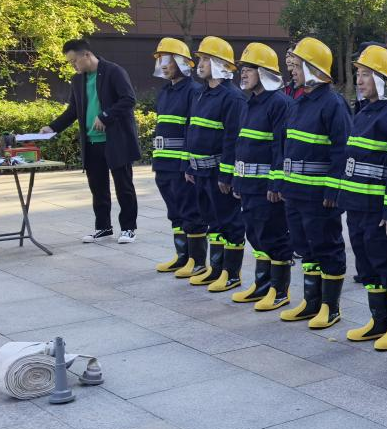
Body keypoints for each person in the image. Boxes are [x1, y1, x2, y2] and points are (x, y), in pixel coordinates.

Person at [339, 45, 387, 351]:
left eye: (366, 74)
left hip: (382, 210)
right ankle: (378, 321)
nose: (359, 81)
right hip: (358, 208)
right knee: (367, 264)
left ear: (383, 78)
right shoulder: (364, 111)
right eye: (358, 74)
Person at [277, 38, 352, 327]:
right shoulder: (299, 102)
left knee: (326, 246)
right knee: (304, 246)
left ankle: (330, 308)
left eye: (298, 66)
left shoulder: (333, 103)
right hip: (296, 191)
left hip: (320, 195)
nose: (292, 70)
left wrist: (334, 187)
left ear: (314, 68)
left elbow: (342, 149)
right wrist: (284, 184)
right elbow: (288, 147)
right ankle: (311, 302)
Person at [44, 38, 142, 244]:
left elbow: (129, 99)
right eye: (70, 63)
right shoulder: (77, 80)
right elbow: (73, 110)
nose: (73, 65)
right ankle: (103, 227)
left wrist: (105, 116)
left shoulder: (114, 72)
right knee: (98, 188)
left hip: (116, 141)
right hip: (91, 142)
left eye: (74, 61)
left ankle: (128, 228)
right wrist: (52, 127)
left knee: (123, 187)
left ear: (87, 55)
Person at [229, 43, 293, 311]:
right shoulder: (250, 103)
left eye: (249, 69)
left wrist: (276, 183)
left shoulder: (279, 103)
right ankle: (262, 284)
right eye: (242, 69)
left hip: (267, 188)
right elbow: (242, 144)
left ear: (264, 72)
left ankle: (279, 291)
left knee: (274, 236)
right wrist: (237, 179)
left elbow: (281, 147)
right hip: (249, 186)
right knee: (256, 235)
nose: (243, 74)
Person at [182, 37, 247, 292]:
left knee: (230, 222)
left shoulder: (232, 97)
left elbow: (232, 140)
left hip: (218, 172)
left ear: (220, 63)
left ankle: (232, 274)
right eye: (200, 59)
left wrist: (226, 175)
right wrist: (190, 166)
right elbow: (193, 131)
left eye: (206, 59)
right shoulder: (200, 93)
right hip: (200, 171)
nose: (200, 64)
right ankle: (216, 269)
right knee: (212, 221)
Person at [150, 38, 199, 274]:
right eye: (160, 60)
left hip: (180, 164)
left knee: (190, 211)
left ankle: (195, 261)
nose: (163, 65)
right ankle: (182, 257)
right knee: (174, 212)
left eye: (167, 59)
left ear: (181, 62)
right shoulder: (165, 91)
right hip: (163, 163)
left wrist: (186, 163)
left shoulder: (193, 91)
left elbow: (192, 129)